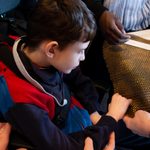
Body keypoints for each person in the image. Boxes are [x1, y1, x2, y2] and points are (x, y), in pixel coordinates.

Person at [0, 0, 131, 150]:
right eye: (79, 51)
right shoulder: (22, 103)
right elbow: (68, 146)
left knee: (135, 129)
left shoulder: (36, 52)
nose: (83, 57)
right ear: (52, 49)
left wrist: (94, 111)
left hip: (81, 116)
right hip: (72, 137)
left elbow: (80, 80)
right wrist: (111, 118)